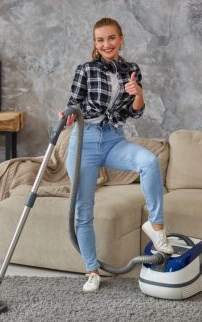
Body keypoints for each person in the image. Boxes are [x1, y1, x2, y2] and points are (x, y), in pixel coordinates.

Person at [58, 17, 174, 293]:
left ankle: (157, 228)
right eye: (100, 39)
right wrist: (66, 115)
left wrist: (138, 94)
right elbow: (73, 103)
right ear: (95, 44)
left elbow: (135, 111)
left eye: (111, 38)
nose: (106, 44)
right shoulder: (85, 70)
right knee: (83, 210)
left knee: (148, 161)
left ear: (120, 39)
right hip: (84, 141)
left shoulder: (131, 70)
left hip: (113, 139)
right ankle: (92, 270)